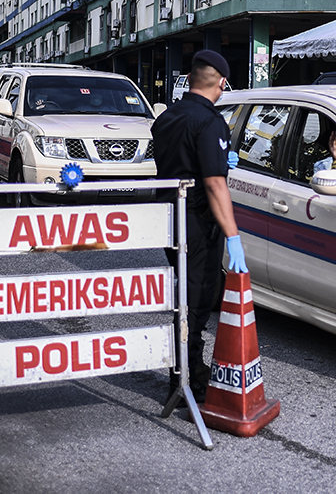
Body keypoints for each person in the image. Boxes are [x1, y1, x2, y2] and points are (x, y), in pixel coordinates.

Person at [152, 49, 248, 405]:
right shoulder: (210, 121)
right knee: (197, 301)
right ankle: (187, 379)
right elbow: (214, 184)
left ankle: (184, 371)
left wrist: (220, 159)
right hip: (197, 223)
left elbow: (180, 162)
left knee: (181, 297)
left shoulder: (167, 117)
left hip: (169, 219)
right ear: (221, 82)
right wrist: (233, 236)